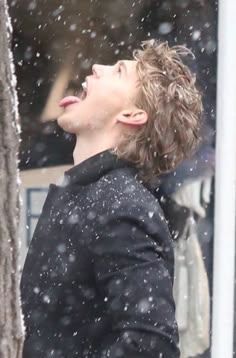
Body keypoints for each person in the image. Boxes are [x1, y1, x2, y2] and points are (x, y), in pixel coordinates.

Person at [20, 39, 202, 358]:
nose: (97, 68)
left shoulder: (120, 204)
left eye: (118, 71)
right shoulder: (92, 191)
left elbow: (152, 345)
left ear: (133, 114)